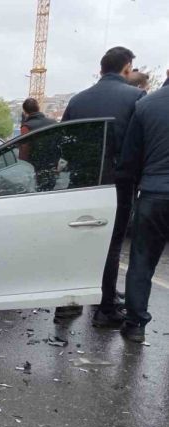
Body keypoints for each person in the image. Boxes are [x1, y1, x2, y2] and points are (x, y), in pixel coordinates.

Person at [58, 46, 146, 324]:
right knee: (110, 243)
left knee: (77, 241)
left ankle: (68, 303)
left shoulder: (78, 100)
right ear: (127, 68)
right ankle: (105, 308)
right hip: (118, 182)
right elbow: (139, 144)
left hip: (81, 181)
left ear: (101, 68)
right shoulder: (136, 98)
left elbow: (63, 141)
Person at [114, 85, 169, 342]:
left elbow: (130, 158)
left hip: (154, 192)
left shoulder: (147, 105)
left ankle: (135, 323)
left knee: (141, 261)